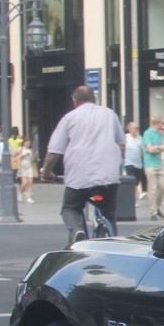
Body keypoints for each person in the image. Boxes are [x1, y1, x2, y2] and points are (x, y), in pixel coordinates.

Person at [39, 86, 126, 245]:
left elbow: (54, 152)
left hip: (79, 176)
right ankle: (113, 243)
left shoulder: (69, 118)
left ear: (74, 101)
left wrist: (46, 172)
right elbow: (121, 144)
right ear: (95, 99)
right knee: (109, 214)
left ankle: (77, 229)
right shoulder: (109, 114)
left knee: (71, 207)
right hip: (108, 175)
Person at [142, 114, 164, 221]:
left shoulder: (160, 134)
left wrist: (157, 148)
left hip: (159, 163)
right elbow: (150, 149)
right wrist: (159, 148)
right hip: (149, 164)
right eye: (161, 123)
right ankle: (153, 211)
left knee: (163, 186)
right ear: (157, 123)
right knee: (153, 188)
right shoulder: (147, 134)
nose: (162, 126)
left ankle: (157, 206)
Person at [124, 120, 145, 199]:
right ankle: (133, 200)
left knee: (136, 182)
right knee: (132, 181)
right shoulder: (126, 137)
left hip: (138, 164)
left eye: (138, 128)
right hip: (129, 163)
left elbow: (142, 150)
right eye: (135, 128)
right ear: (130, 129)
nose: (137, 129)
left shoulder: (140, 138)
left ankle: (133, 197)